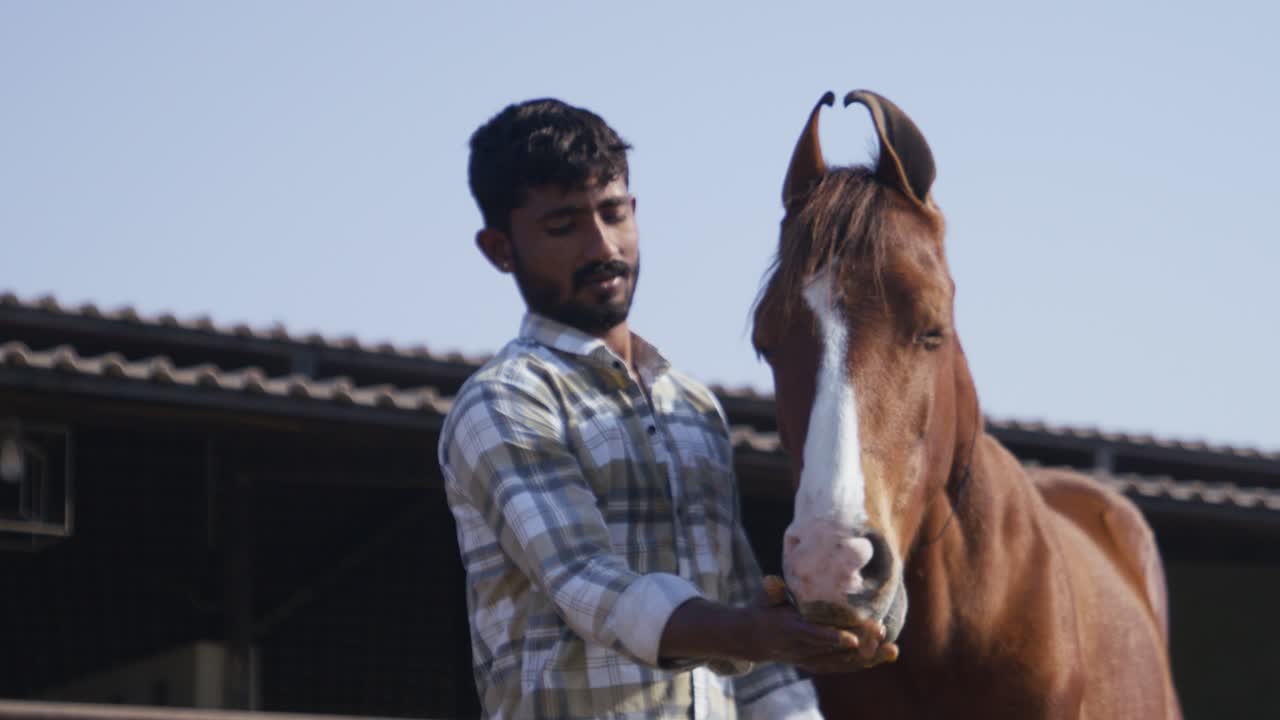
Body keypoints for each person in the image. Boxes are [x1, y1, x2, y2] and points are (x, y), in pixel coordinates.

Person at [438, 98, 885, 720]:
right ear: (499, 249)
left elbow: (740, 619)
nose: (602, 246)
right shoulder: (505, 400)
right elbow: (587, 584)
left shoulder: (692, 408)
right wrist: (749, 634)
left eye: (613, 212)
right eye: (563, 226)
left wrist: (777, 650)